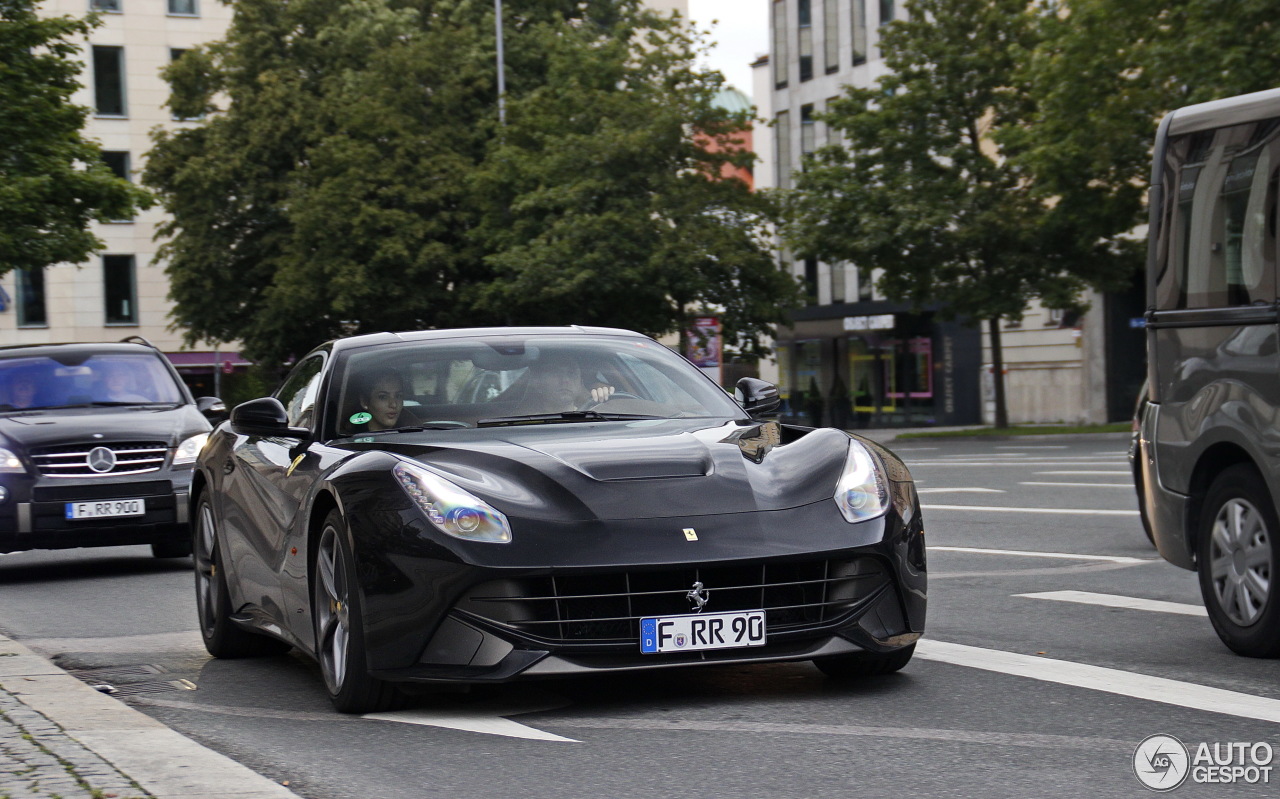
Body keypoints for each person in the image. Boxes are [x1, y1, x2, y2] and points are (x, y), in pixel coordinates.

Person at [516, 353, 614, 414]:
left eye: (571, 373)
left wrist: (608, 401)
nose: (565, 380)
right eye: (555, 373)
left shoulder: (598, 417)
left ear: (580, 383)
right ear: (539, 384)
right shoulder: (525, 422)